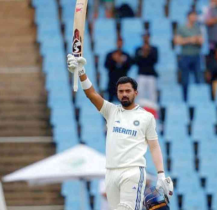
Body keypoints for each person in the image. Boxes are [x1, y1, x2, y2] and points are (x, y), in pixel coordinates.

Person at [67, 55, 173, 210]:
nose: (124, 94)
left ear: (135, 92)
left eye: (128, 91)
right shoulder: (112, 111)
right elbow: (91, 94)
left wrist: (161, 174)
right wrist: (81, 72)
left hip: (133, 171)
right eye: (121, 91)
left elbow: (154, 146)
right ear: (117, 93)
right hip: (111, 172)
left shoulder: (146, 117)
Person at [175, 10, 204, 101]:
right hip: (185, 56)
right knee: (185, 79)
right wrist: (190, 40)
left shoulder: (197, 28)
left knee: (199, 78)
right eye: (193, 16)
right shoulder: (181, 27)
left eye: (195, 16)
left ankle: (199, 98)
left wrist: (196, 40)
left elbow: (201, 41)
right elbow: (177, 41)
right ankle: (185, 99)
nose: (194, 18)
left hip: (196, 56)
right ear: (188, 17)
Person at [105, 37, 133, 102]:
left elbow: (129, 66)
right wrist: (114, 60)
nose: (119, 44)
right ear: (116, 43)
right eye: (118, 42)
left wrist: (121, 61)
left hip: (123, 83)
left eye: (121, 42)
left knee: (124, 101)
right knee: (110, 102)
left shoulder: (126, 55)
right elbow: (106, 65)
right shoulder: (110, 55)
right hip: (112, 82)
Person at [135, 33, 158, 104]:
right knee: (140, 94)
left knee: (152, 95)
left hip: (151, 75)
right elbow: (136, 61)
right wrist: (143, 54)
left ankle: (152, 112)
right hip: (141, 74)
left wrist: (148, 53)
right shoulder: (138, 49)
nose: (145, 38)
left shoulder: (154, 49)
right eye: (144, 37)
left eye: (147, 37)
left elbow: (155, 60)